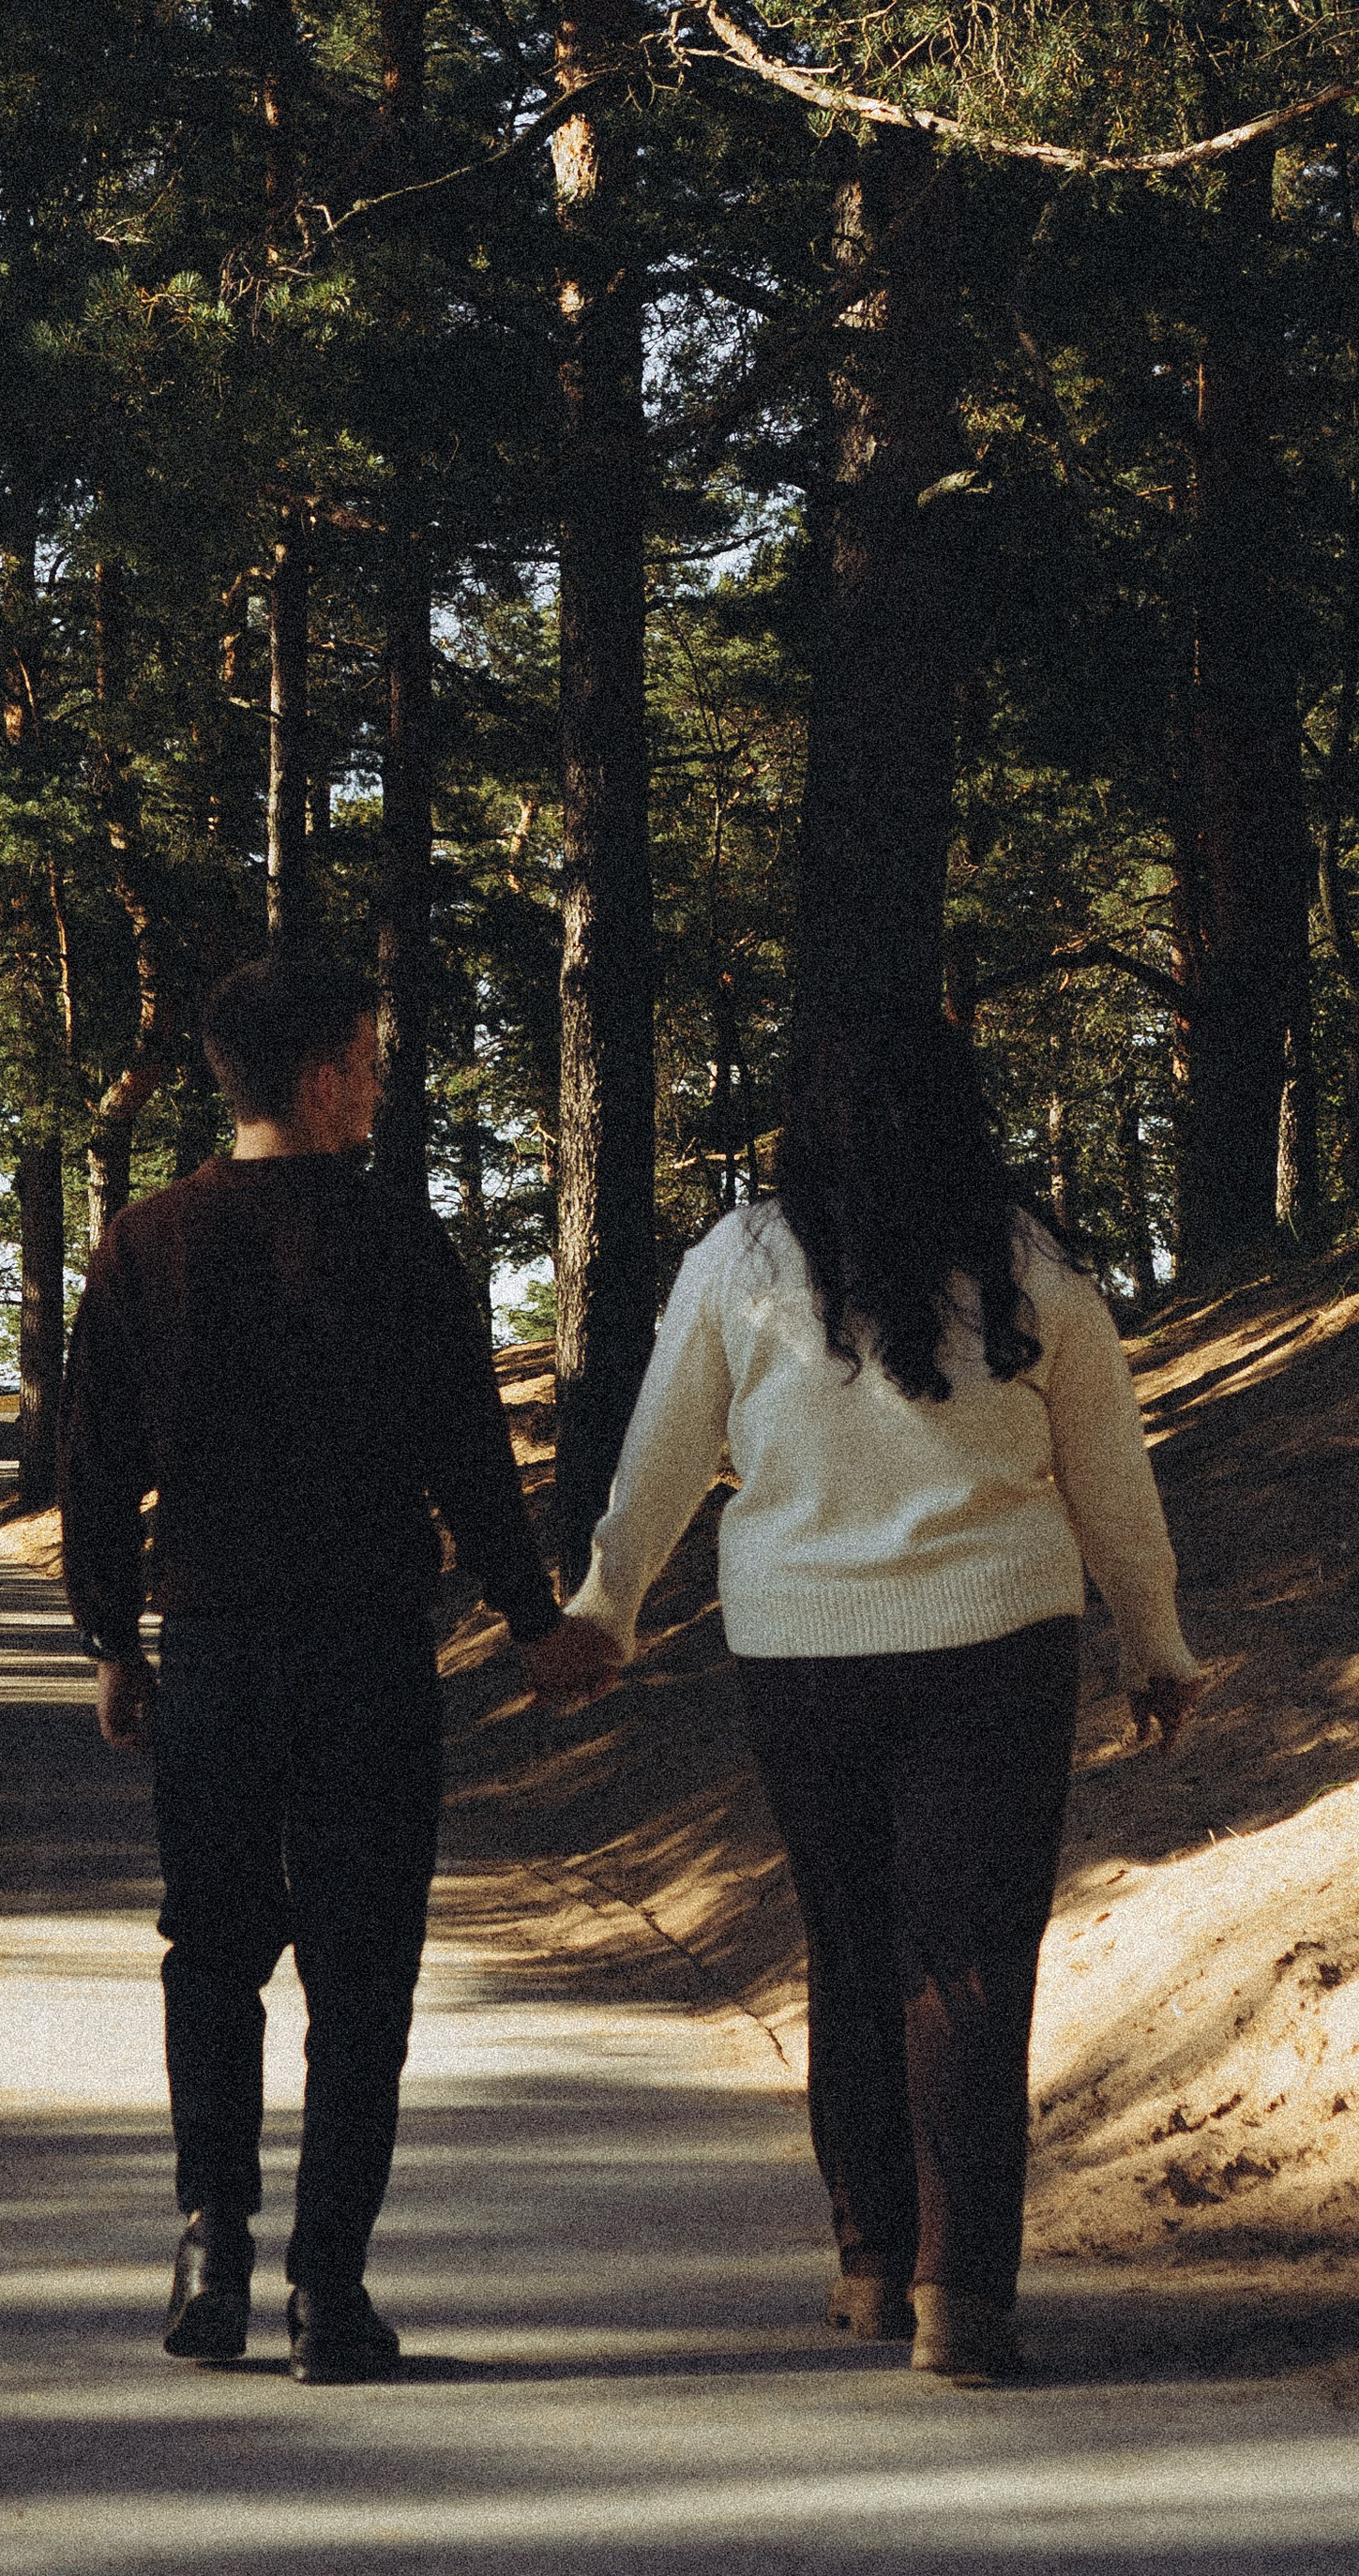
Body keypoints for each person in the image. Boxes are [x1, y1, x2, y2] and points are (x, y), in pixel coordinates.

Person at [550, 999, 1204, 2389]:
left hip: (803, 1660)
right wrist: (1155, 1646)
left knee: (852, 1952)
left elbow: (662, 1455)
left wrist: (608, 1606)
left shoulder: (742, 1260)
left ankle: (866, 2265)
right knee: (970, 1967)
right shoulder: (1035, 1271)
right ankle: (961, 2297)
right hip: (998, 1656)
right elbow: (1111, 1484)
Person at [58, 945, 589, 2385]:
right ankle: (328, 2292)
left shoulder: (148, 1242)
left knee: (211, 1953)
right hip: (365, 1656)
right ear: (320, 1072)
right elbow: (472, 1462)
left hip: (214, 1653)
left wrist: (113, 1642)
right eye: (367, 1052)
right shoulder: (403, 1243)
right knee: (365, 1976)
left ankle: (209, 2254)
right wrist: (532, 1624)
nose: (380, 1078)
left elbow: (95, 1466)